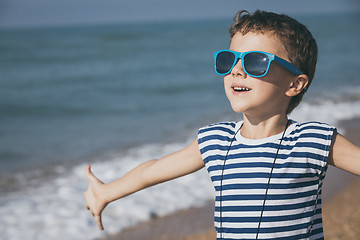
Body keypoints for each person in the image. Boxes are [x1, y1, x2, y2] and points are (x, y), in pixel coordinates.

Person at [84, 10, 360, 239]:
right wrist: (107, 191)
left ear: (294, 84)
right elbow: (152, 170)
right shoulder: (215, 141)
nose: (236, 70)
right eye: (229, 60)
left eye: (255, 62)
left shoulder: (312, 141)